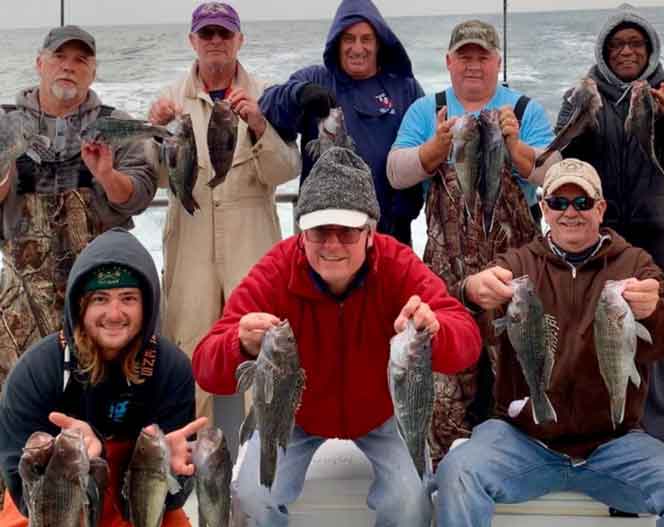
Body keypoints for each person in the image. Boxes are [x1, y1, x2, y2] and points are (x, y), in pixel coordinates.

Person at [192, 147, 482, 527]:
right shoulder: (275, 270)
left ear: (370, 232)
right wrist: (238, 341)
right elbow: (206, 365)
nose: (331, 245)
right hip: (293, 416)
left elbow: (466, 340)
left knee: (408, 498)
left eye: (346, 232)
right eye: (318, 231)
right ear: (300, 232)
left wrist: (435, 328)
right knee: (254, 497)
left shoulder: (399, 265)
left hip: (385, 412)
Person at [435, 158, 664, 527]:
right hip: (522, 440)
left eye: (582, 201)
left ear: (600, 210)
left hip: (614, 445)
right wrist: (468, 290)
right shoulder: (518, 265)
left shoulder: (634, 264)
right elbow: (458, 321)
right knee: (456, 472)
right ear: (544, 209)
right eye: (559, 202)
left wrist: (655, 309)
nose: (571, 212)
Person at [386, 19, 557, 465]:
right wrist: (435, 150)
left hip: (514, 272)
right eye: (465, 56)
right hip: (446, 276)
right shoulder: (429, 111)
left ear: (498, 63)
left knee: (514, 378)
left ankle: (513, 477)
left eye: (483, 56)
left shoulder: (523, 109)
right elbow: (395, 172)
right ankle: (446, 483)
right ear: (449, 62)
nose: (474, 65)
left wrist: (515, 143)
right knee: (444, 383)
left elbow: (553, 175)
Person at [0, 228, 206, 527]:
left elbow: (170, 499)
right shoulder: (36, 371)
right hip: (59, 499)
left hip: (133, 497)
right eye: (100, 299)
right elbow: (18, 486)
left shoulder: (171, 369)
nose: (114, 314)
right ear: (80, 305)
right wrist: (69, 469)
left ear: (148, 304)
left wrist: (166, 474)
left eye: (128, 298)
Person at [147, 1, 301, 424]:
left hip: (251, 236)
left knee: (263, 341)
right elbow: (157, 177)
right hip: (190, 237)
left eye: (224, 34)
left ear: (239, 41)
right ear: (192, 41)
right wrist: (153, 130)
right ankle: (188, 457)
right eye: (207, 34)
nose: (215, 41)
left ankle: (262, 455)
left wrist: (259, 125)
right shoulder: (168, 100)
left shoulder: (268, 95)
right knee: (187, 347)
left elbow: (284, 171)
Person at [555, 8, 664, 450]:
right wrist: (578, 110)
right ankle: (607, 454)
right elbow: (561, 160)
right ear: (603, 53)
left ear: (650, 49)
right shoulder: (584, 96)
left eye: (635, 43)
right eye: (617, 45)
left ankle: (660, 454)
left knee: (662, 353)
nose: (627, 51)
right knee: (604, 349)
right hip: (604, 248)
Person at [0, 25, 157, 385]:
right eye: (59, 57)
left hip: (101, 299)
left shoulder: (117, 126)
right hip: (21, 299)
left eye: (80, 60)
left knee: (100, 405)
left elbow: (141, 192)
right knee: (20, 405)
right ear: (40, 63)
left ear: (93, 72)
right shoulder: (5, 124)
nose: (68, 66)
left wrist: (106, 176)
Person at [258, 0, 424, 245]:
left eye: (366, 39)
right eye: (349, 39)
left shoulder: (404, 87)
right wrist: (299, 94)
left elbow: (426, 147)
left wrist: (404, 209)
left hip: (390, 232)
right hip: (326, 231)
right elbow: (268, 107)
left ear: (379, 42)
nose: (358, 48)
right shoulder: (315, 78)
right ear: (336, 42)